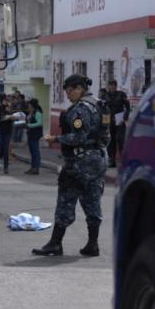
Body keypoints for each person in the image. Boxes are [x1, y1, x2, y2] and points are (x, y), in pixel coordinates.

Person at [32, 74, 110, 257]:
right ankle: (93, 245)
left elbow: (78, 137)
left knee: (66, 198)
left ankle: (55, 243)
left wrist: (56, 139)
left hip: (80, 160)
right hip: (98, 158)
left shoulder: (80, 110)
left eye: (69, 91)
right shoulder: (99, 104)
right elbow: (106, 135)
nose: (68, 95)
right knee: (92, 199)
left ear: (79, 88)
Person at [101, 79, 131, 168]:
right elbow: (102, 109)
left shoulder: (121, 95)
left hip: (119, 120)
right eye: (110, 86)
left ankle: (124, 161)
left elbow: (128, 108)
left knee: (121, 140)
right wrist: (104, 122)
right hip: (109, 121)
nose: (112, 88)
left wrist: (124, 118)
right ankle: (112, 161)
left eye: (114, 86)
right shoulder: (104, 96)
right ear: (108, 87)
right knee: (111, 142)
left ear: (116, 86)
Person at [0, 94, 15, 174]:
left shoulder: (8, 106)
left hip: (7, 131)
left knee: (6, 149)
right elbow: (0, 117)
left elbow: (11, 116)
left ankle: (6, 167)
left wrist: (11, 114)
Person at [25, 98, 44, 174]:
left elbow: (39, 123)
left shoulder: (37, 113)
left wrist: (29, 125)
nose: (28, 106)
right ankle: (32, 167)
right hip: (30, 134)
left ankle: (36, 167)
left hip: (35, 134)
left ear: (32, 105)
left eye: (29, 105)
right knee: (32, 151)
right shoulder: (31, 113)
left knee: (35, 151)